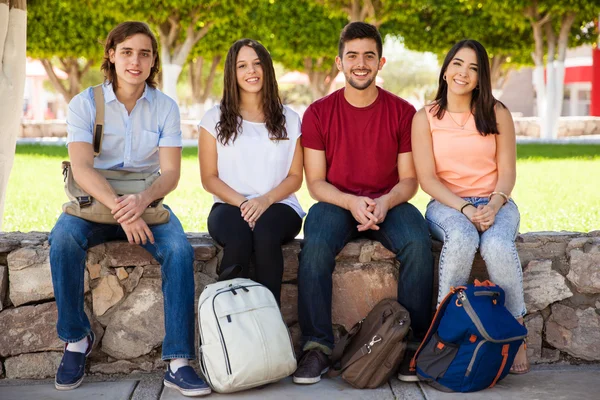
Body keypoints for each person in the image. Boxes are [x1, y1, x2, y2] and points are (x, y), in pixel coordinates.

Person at [48, 22, 211, 396]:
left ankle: (178, 361)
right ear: (111, 55)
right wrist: (125, 211)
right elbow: (83, 168)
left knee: (179, 250)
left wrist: (140, 203)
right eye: (126, 52)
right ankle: (75, 340)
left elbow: (170, 174)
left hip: (146, 200)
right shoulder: (85, 103)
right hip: (93, 203)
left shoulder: (166, 108)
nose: (135, 61)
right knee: (62, 241)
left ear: (153, 60)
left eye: (144, 53)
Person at [293, 22, 434, 385]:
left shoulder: (402, 112)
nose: (360, 63)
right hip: (338, 202)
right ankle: (317, 348)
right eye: (352, 56)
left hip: (390, 201)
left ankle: (410, 345)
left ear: (380, 62)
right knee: (316, 244)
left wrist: (385, 202)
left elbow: (409, 180)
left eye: (368, 56)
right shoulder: (318, 113)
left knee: (419, 243)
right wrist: (351, 202)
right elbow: (316, 184)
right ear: (339, 62)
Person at [411, 39, 529, 374]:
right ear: (446, 69)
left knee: (496, 246)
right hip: (447, 204)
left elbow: (507, 173)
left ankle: (517, 335)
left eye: (474, 68)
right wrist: (464, 209)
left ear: (481, 78)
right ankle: (443, 335)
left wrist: (493, 204)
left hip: (497, 201)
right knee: (462, 239)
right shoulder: (426, 117)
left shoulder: (497, 113)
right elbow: (428, 180)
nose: (464, 73)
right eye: (458, 64)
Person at [198, 38, 304, 304]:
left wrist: (264, 201)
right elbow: (209, 177)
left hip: (280, 205)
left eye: (257, 64)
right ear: (232, 73)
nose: (251, 71)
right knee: (239, 236)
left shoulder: (290, 119)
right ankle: (231, 320)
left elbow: (295, 177)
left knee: (266, 233)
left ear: (267, 69)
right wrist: (245, 204)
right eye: (242, 65)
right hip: (229, 205)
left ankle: (268, 319)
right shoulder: (214, 118)